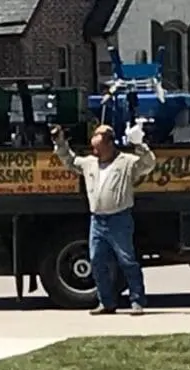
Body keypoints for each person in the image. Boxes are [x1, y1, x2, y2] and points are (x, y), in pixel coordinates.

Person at [50, 121, 156, 315]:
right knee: (97, 261)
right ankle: (106, 302)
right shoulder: (90, 163)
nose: (95, 152)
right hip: (97, 221)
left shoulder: (126, 162)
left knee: (127, 260)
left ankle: (137, 300)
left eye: (98, 148)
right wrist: (60, 143)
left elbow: (148, 164)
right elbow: (70, 160)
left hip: (119, 219)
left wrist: (140, 144)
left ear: (109, 144)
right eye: (93, 148)